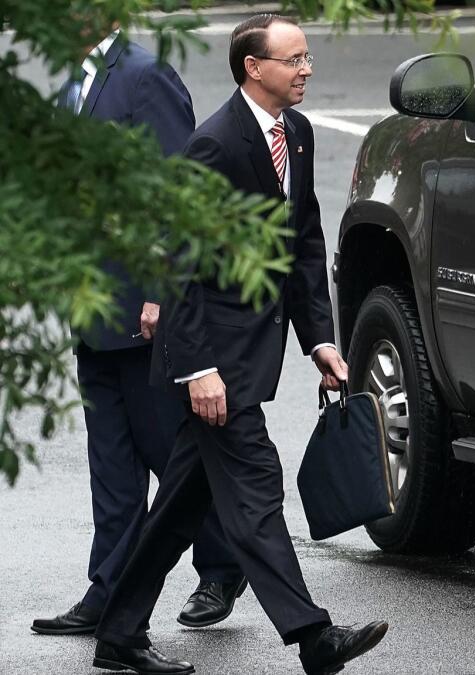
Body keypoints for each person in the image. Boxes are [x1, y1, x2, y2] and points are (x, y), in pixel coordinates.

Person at [90, 14, 388, 675]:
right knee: (256, 488)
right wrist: (197, 367)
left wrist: (320, 342)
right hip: (214, 358)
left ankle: (117, 631)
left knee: (177, 507)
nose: (307, 69)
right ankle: (315, 637)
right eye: (294, 60)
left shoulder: (299, 136)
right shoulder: (215, 144)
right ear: (255, 68)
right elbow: (180, 263)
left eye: (308, 58)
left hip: (254, 350)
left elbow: (303, 245)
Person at [31, 26, 246, 640]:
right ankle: (109, 588)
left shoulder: (145, 74)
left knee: (169, 453)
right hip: (92, 304)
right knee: (112, 463)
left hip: (142, 305)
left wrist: (162, 291)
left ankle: (224, 565)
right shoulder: (80, 75)